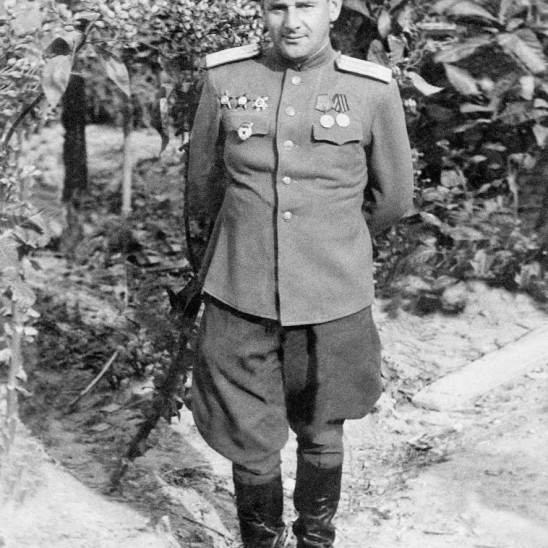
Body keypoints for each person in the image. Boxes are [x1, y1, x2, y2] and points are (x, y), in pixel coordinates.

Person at [186, 0, 414, 545]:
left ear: (333, 8)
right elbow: (202, 188)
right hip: (241, 289)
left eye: (306, 5)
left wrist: (332, 238)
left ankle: (316, 537)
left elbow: (393, 198)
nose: (291, 22)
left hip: (331, 293)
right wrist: (233, 252)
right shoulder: (225, 78)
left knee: (323, 426)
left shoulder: (371, 89)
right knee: (248, 435)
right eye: (277, 7)